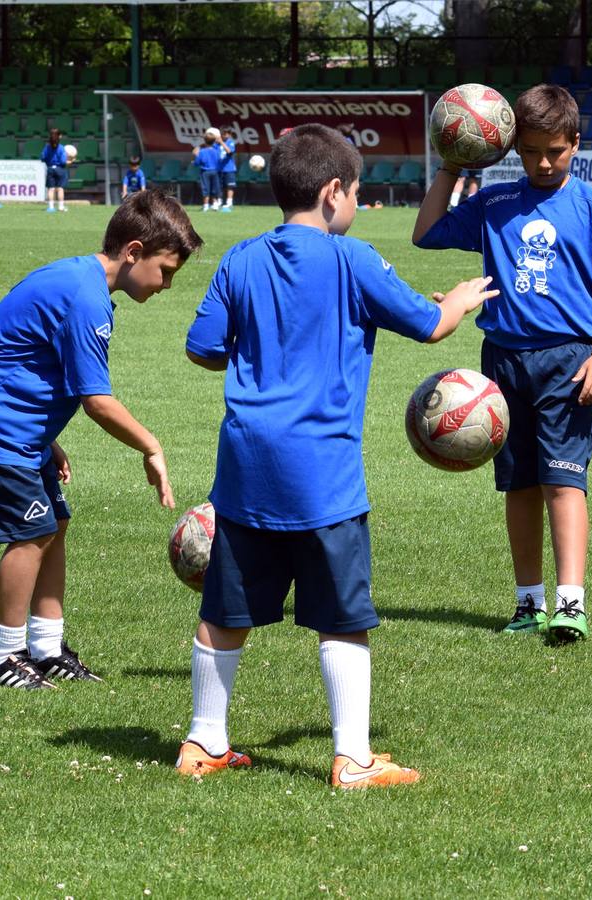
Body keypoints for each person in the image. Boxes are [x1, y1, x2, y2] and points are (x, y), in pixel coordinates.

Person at [178, 124, 498, 787]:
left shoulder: (239, 259)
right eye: (355, 190)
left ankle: (203, 743)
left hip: (244, 471)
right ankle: (351, 758)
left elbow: (203, 348)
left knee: (224, 615)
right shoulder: (353, 260)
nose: (356, 202)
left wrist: (262, 350)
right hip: (321, 476)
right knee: (342, 621)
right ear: (332, 193)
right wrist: (459, 302)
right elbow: (430, 325)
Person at [0, 192, 201, 689]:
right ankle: (3, 658)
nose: (166, 285)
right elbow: (97, 400)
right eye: (165, 270)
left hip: (11, 421)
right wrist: (151, 446)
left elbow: (23, 357)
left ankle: (47, 649)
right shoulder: (85, 296)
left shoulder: (79, 279)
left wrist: (46, 438)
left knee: (57, 522)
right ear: (133, 251)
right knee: (33, 532)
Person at [413, 83, 592, 642]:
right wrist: (450, 164)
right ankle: (527, 602)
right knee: (518, 485)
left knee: (565, 483)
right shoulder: (493, 203)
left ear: (575, 145)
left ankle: (571, 604)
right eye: (531, 151)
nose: (542, 162)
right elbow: (425, 233)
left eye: (555, 151)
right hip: (503, 363)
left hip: (570, 363)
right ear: (513, 150)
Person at [192, 127, 222, 211]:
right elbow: (219, 160)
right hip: (215, 171)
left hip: (205, 172)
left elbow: (198, 161)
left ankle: (205, 205)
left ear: (204, 141)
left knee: (205, 188)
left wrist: (194, 163)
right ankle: (215, 204)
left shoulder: (202, 151)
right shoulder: (217, 151)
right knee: (214, 188)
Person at [41, 128, 69, 213]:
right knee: (60, 189)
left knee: (51, 189)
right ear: (59, 136)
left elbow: (42, 157)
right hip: (60, 169)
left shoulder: (47, 147)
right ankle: (60, 207)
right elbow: (63, 162)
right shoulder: (61, 148)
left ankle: (51, 207)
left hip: (50, 169)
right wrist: (69, 161)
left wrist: (48, 162)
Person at [218, 128, 237, 211]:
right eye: (223, 134)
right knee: (219, 187)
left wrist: (221, 142)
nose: (224, 135)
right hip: (219, 168)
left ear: (229, 135)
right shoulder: (216, 144)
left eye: (226, 134)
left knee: (230, 186)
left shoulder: (231, 142)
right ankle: (219, 202)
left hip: (229, 169)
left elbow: (229, 152)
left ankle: (229, 202)